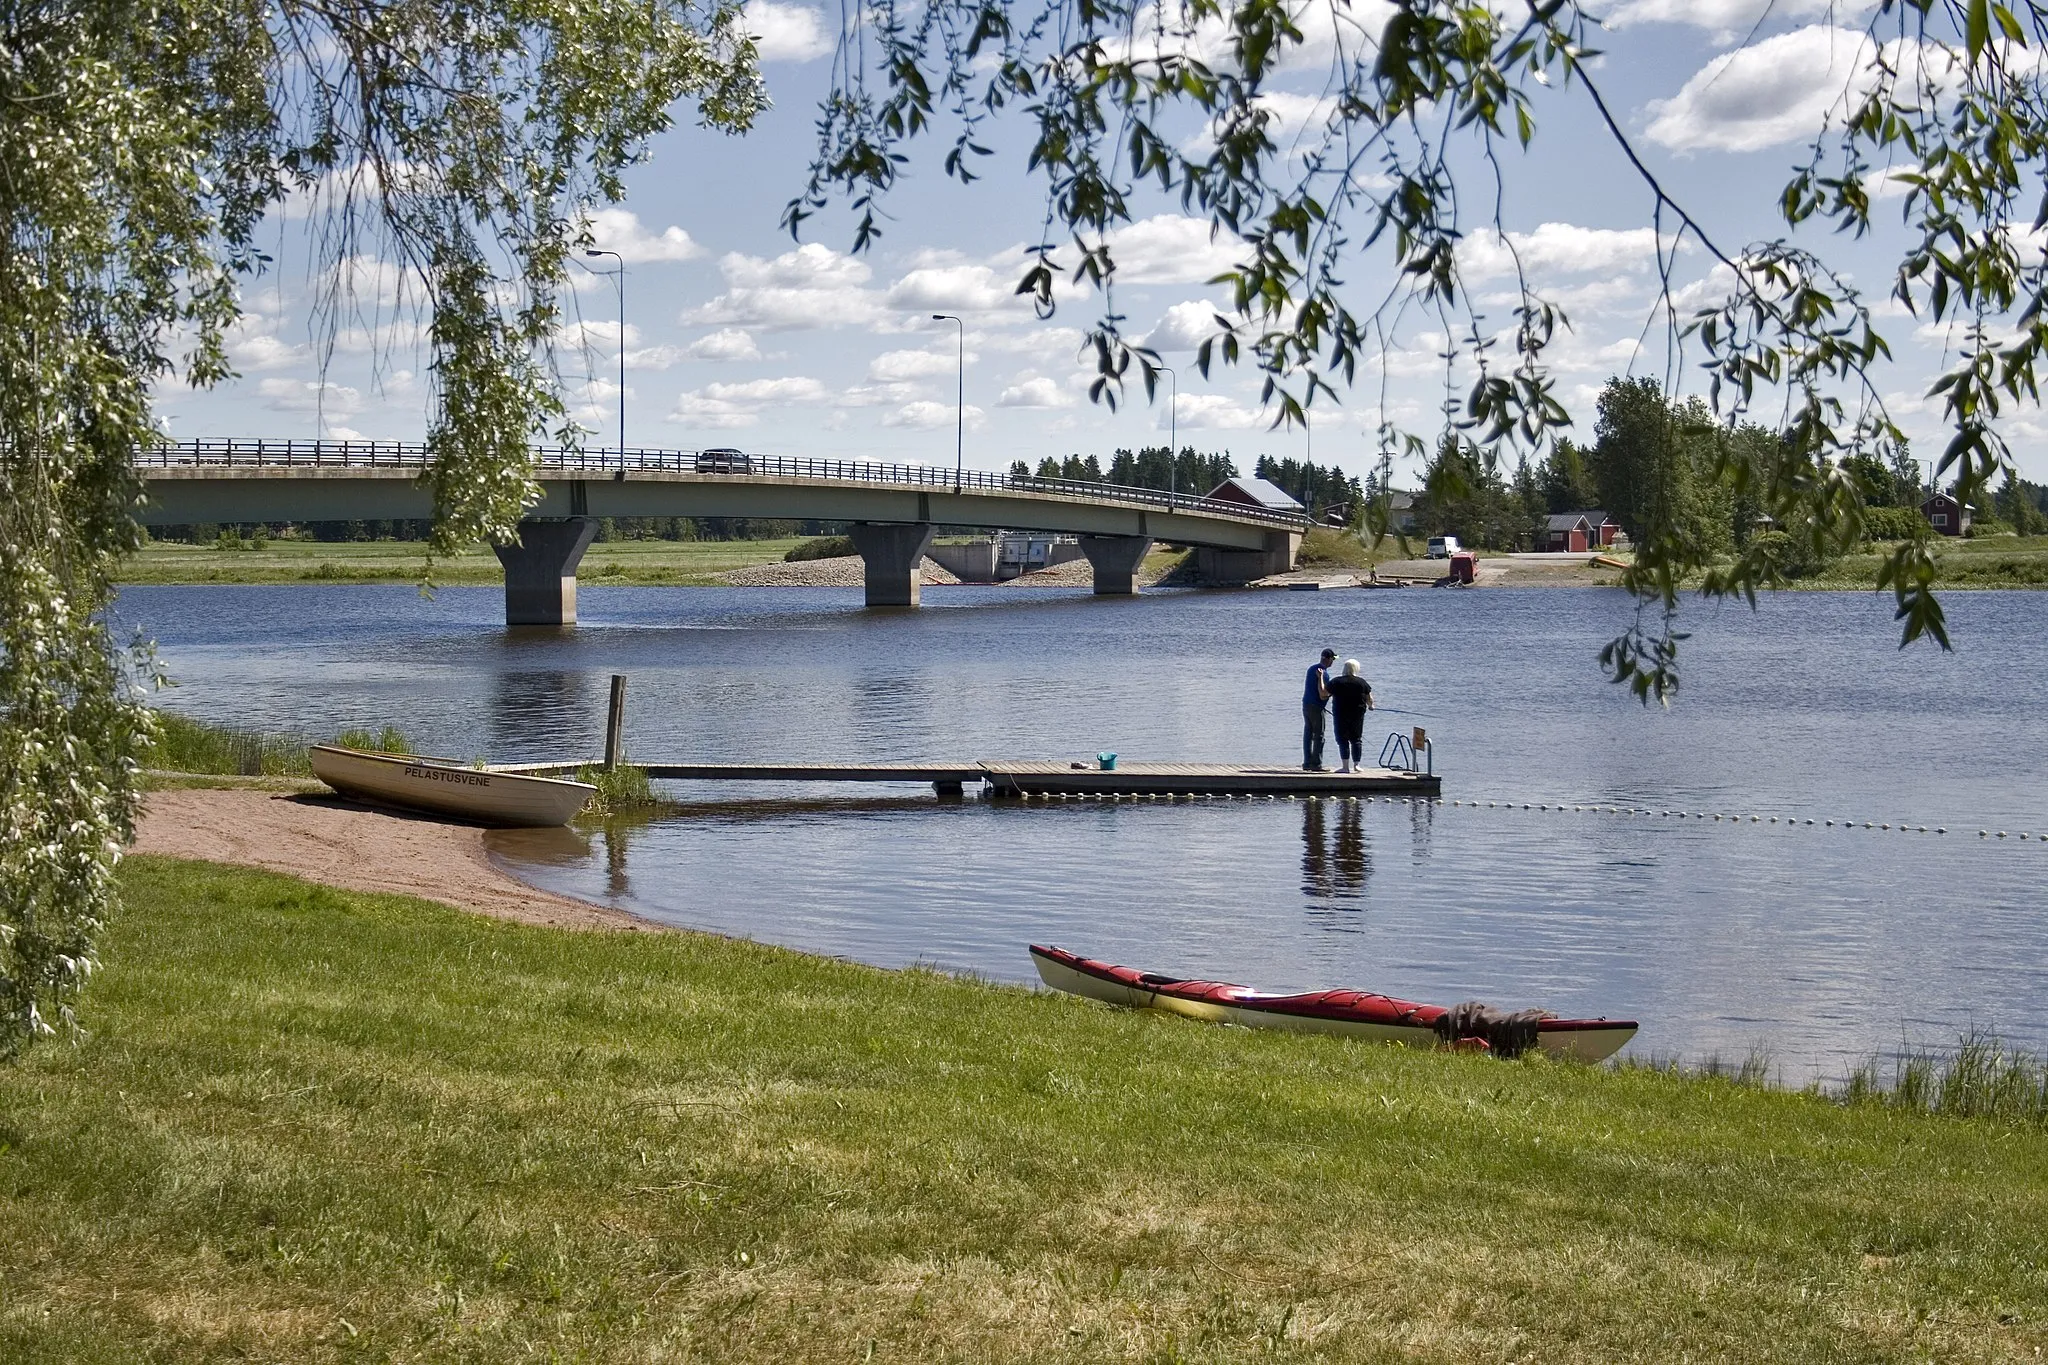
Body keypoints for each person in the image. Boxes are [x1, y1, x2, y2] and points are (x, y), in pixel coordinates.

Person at [1325, 658, 1375, 772]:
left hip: (1340, 714)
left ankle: (1345, 767)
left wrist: (1320, 680)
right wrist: (1371, 706)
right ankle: (1356, 765)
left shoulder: (1336, 681)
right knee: (1356, 739)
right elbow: (1369, 698)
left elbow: (1325, 693)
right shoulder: (1362, 682)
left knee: (1342, 739)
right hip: (1357, 714)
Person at [1302, 648, 1336, 771]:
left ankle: (1307, 762)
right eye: (1332, 659)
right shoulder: (1324, 674)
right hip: (1317, 706)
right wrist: (1332, 694)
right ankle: (1316, 764)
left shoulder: (1311, 668)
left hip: (1306, 704)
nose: (1333, 662)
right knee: (1319, 735)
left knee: (1308, 733)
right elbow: (1323, 694)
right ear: (1327, 659)